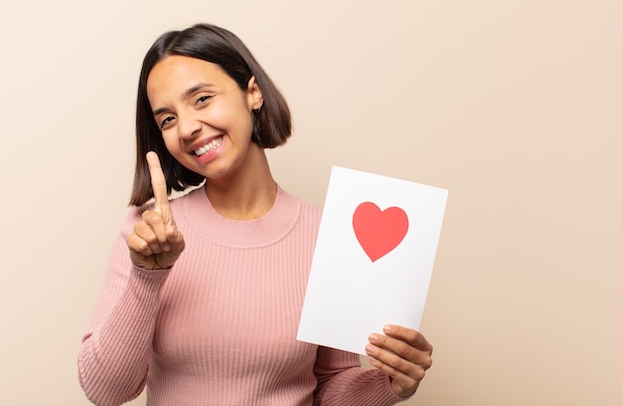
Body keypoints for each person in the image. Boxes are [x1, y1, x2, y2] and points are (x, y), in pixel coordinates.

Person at [78, 23, 433, 406]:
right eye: (167, 119)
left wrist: (391, 385)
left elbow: (330, 386)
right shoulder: (147, 235)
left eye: (201, 99)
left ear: (252, 92)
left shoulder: (328, 238)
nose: (187, 128)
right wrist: (147, 278)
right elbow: (105, 392)